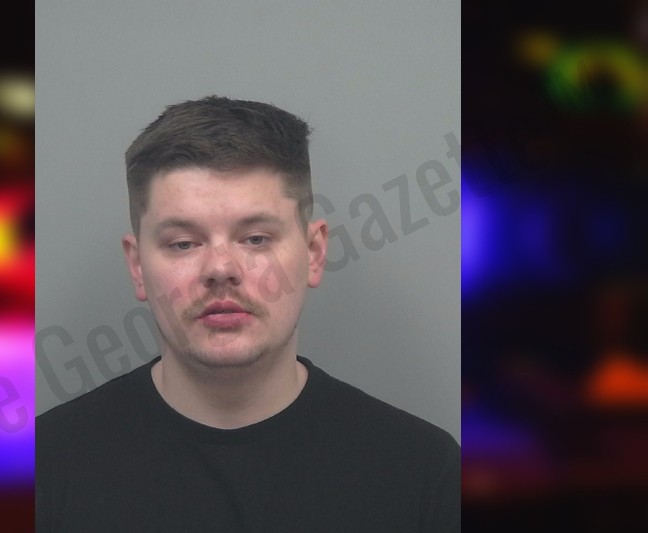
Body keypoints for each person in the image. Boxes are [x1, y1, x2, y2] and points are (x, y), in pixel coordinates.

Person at [36, 96, 460, 532]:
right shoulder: (42, 470)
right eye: (183, 243)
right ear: (137, 267)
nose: (221, 269)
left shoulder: (424, 473)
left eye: (256, 238)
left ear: (313, 254)